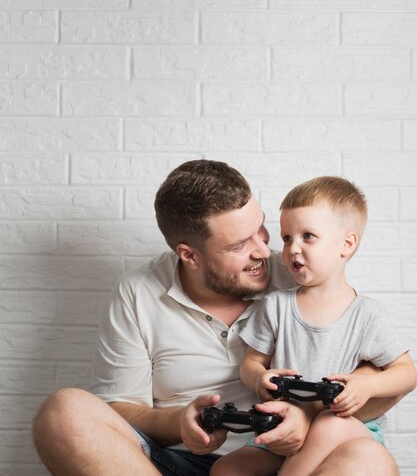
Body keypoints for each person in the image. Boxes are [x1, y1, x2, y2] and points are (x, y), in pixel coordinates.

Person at [32, 160, 405, 476]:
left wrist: (310, 416)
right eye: (239, 245)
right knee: (63, 413)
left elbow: (380, 365)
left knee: (368, 460)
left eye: (260, 228)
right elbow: (118, 410)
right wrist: (180, 422)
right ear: (189, 255)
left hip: (294, 459)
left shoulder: (299, 270)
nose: (265, 250)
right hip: (178, 462)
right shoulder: (138, 292)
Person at [211, 176, 416, 476]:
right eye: (286, 238)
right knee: (226, 469)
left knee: (328, 424)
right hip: (286, 428)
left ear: (346, 244)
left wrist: (366, 385)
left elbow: (407, 373)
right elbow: (251, 363)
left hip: (345, 428)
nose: (293, 248)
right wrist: (259, 378)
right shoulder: (276, 306)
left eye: (308, 236)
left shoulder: (367, 314)